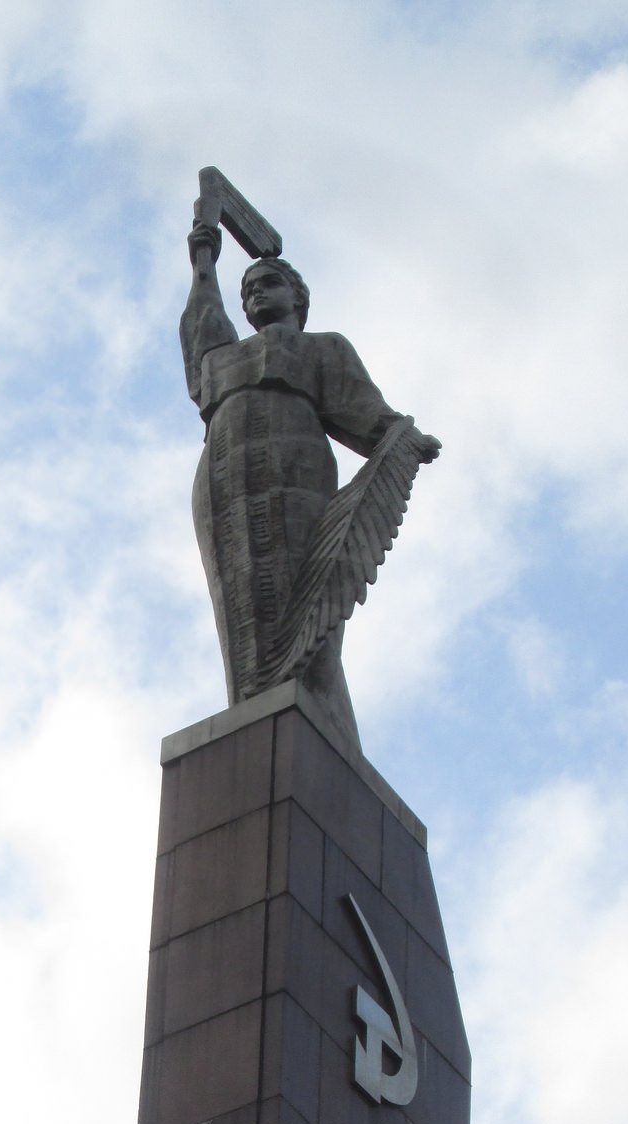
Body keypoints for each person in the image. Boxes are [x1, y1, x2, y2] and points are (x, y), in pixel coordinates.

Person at [181, 222, 439, 749]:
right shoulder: (221, 359)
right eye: (247, 289)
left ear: (298, 297)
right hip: (224, 476)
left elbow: (365, 413)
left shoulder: (323, 349)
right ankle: (254, 721)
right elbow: (202, 321)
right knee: (241, 614)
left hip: (294, 465)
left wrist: (402, 436)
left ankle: (331, 742)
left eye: (268, 283)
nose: (254, 293)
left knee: (309, 610)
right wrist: (204, 259)